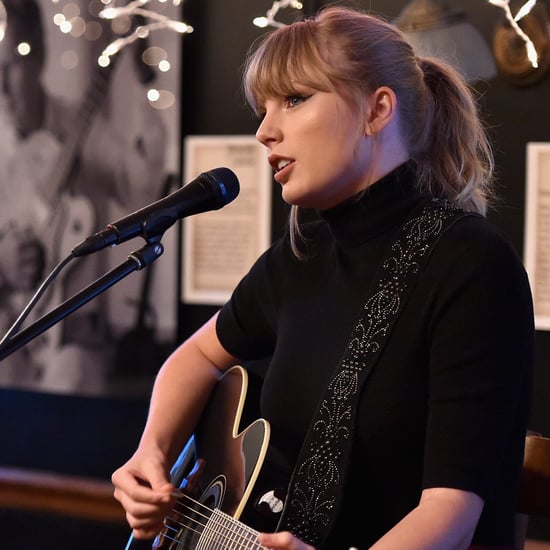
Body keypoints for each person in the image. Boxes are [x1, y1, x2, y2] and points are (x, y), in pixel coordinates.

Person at [111, 5, 535, 549]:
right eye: (264, 108)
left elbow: (450, 512)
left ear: (377, 110)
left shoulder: (472, 265)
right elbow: (194, 357)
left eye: (294, 99)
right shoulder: (303, 254)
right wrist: (152, 454)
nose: (265, 130)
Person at [0, 0, 168, 394]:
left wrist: (145, 82)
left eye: (9, 67)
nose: (1, 88)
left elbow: (142, 186)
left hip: (74, 345)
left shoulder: (83, 126)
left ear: (38, 53)